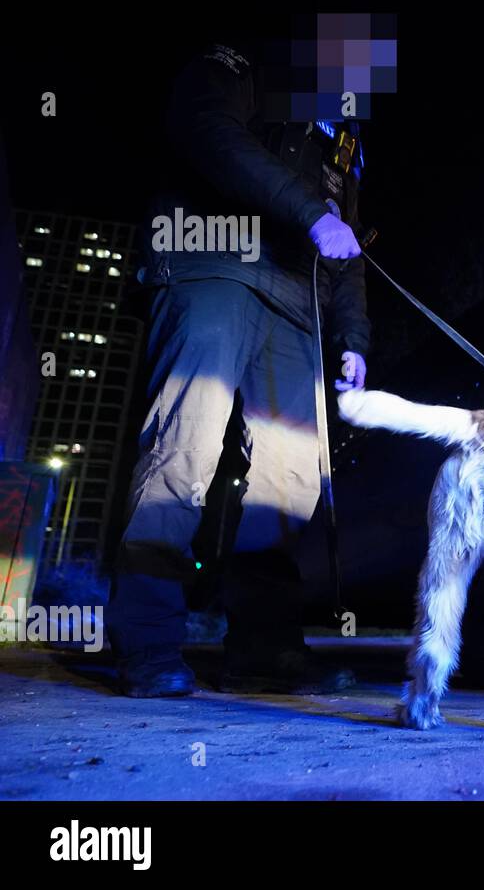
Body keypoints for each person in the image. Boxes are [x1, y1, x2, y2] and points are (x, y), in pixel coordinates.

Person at [107, 39, 371, 697]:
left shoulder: (347, 143)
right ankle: (149, 648)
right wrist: (309, 214)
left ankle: (264, 652)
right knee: (183, 450)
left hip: (294, 304)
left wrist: (355, 336)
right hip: (212, 264)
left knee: (287, 482)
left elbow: (349, 246)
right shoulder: (241, 69)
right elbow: (205, 132)